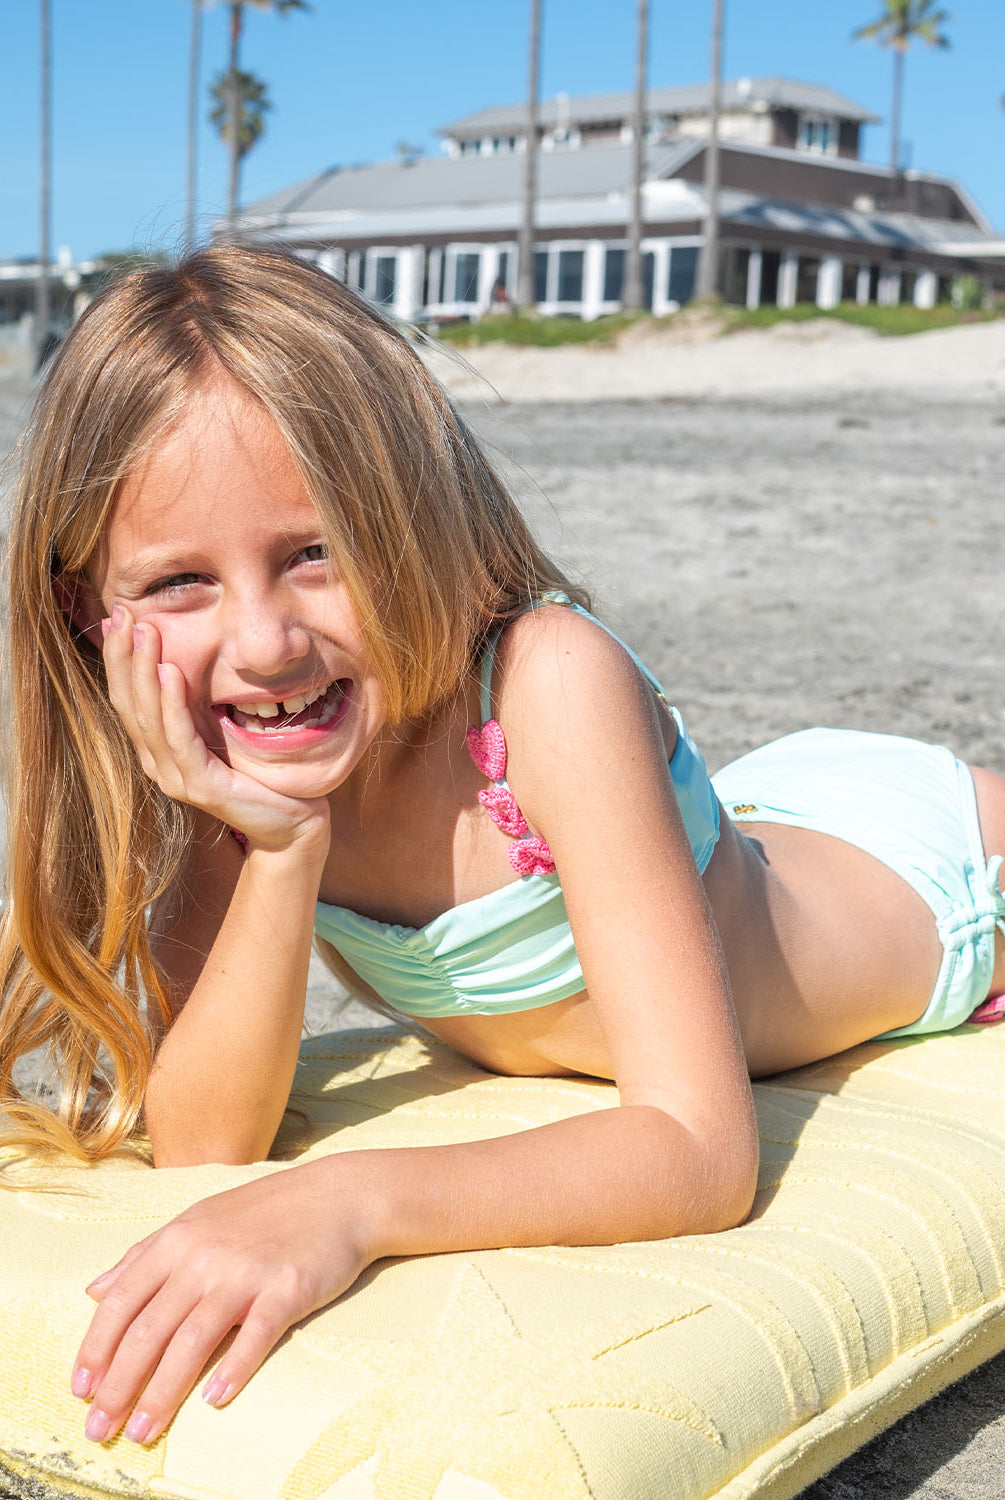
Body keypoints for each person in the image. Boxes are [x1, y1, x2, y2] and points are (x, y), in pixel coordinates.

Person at [2, 244, 1004, 1450]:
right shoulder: (234, 772)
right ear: (87, 611)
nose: (264, 644)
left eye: (316, 551)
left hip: (931, 871)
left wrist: (345, 1205)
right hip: (761, 825)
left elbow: (698, 1150)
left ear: (415, 516)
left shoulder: (546, 684)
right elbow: (208, 1143)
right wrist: (280, 846)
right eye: (178, 582)